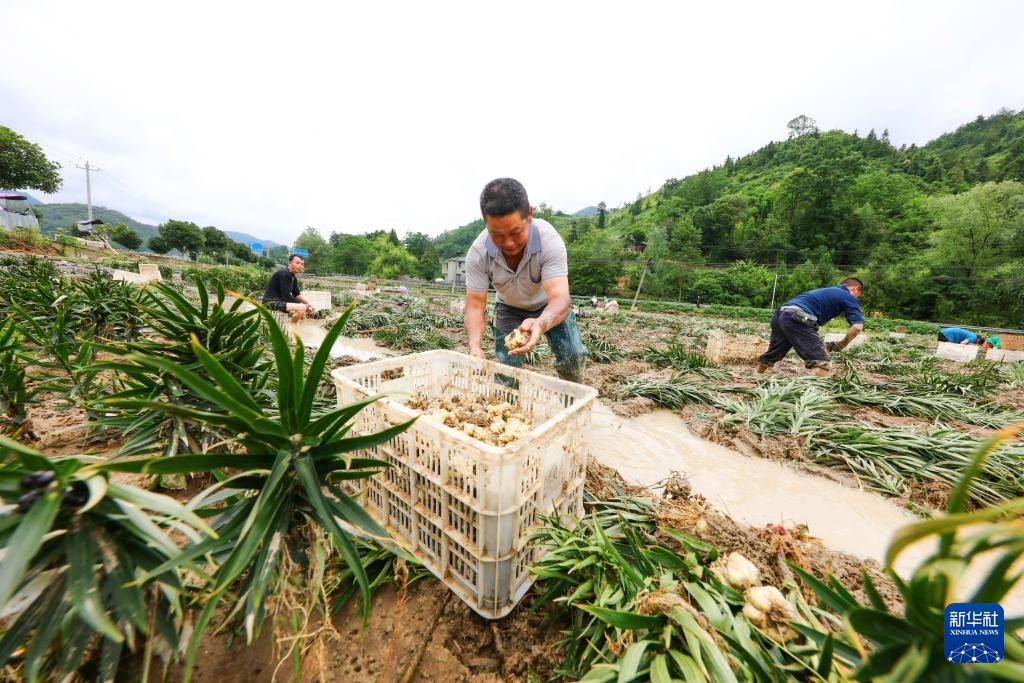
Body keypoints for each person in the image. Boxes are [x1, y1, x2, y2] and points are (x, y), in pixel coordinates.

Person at [464, 178, 588, 383]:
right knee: (506, 370)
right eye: (497, 235)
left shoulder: (549, 241)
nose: (508, 243)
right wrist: (474, 346)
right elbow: (475, 305)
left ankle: (573, 401)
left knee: (572, 357)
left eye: (515, 232)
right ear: (485, 223)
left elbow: (559, 297)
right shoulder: (478, 252)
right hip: (509, 308)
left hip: (549, 307)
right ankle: (506, 408)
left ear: (529, 214)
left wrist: (541, 322)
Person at [756, 278, 865, 376]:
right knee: (822, 363)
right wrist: (841, 344)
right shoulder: (848, 296)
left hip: (780, 314)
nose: (856, 297)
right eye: (858, 294)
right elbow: (857, 327)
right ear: (857, 289)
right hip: (798, 317)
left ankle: (757, 376)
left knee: (775, 352)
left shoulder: (826, 291)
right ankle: (816, 395)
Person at [262, 253, 316, 323]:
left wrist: (308, 303)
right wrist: (303, 305)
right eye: (297, 263)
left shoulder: (293, 277)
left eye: (302, 264)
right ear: (290, 263)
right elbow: (286, 296)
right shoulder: (285, 274)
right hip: (270, 302)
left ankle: (302, 326)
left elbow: (297, 294)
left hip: (280, 302)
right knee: (302, 308)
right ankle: (291, 329)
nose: (300, 266)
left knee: (302, 309)